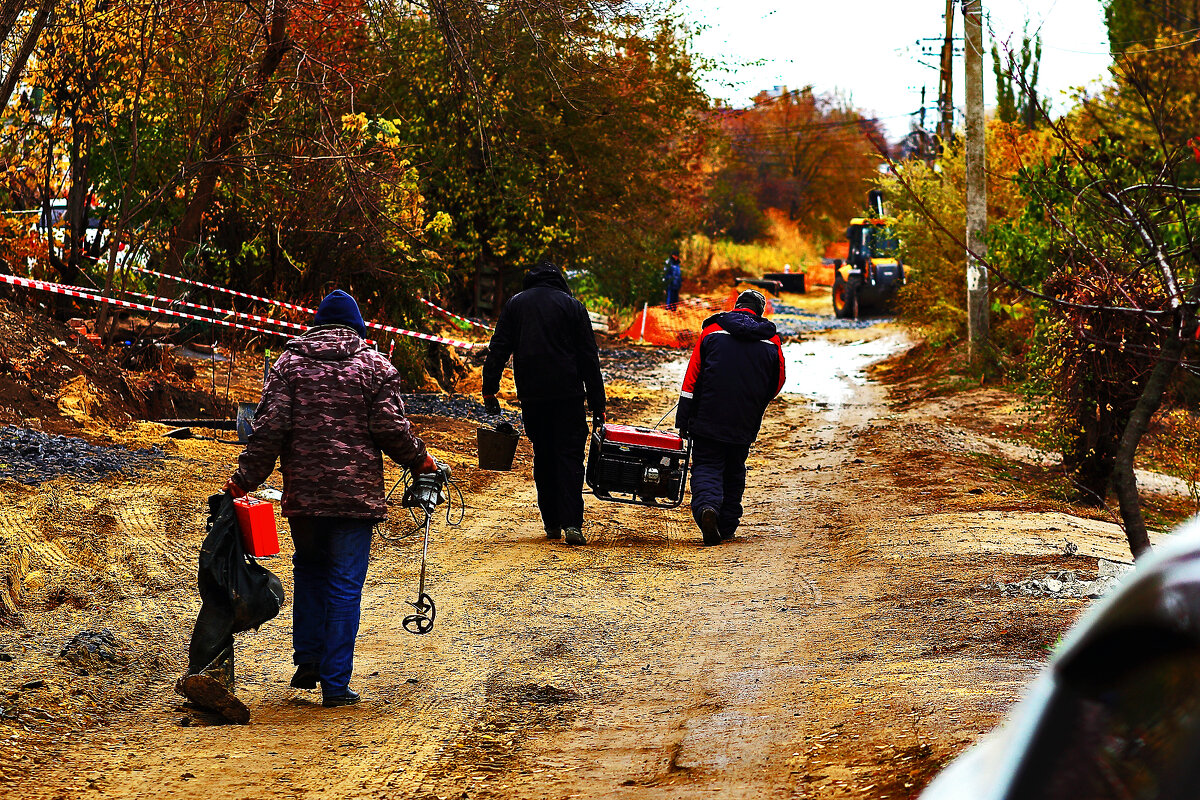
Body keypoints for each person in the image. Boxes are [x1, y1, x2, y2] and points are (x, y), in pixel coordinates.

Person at [224, 289, 438, 708]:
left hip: (305, 495)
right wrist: (420, 460)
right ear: (357, 328)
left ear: (317, 325)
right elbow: (390, 428)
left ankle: (308, 660)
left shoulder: (289, 365)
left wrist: (242, 481)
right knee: (344, 583)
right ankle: (335, 685)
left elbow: (268, 431)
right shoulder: (375, 367)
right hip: (354, 499)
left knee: (309, 569)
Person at [481, 260, 605, 546]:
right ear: (558, 281)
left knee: (544, 455)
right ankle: (572, 522)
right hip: (569, 397)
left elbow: (498, 348)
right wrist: (599, 405)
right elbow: (589, 359)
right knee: (570, 456)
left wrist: (490, 390)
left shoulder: (515, 305)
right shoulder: (573, 307)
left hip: (533, 397)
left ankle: (551, 522)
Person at [675, 289, 785, 545]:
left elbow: (691, 379)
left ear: (737, 306)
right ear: (760, 311)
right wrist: (757, 401)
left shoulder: (712, 331)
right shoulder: (771, 341)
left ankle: (707, 509)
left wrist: (683, 419)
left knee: (707, 464)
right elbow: (777, 381)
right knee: (735, 468)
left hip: (707, 416)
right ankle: (726, 525)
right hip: (745, 418)